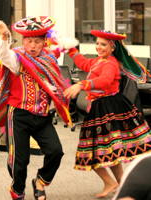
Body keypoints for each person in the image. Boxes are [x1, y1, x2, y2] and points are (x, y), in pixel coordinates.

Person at [0, 16, 72, 200]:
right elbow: (3, 55)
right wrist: (3, 37)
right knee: (20, 160)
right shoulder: (17, 58)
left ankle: (40, 181)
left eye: (37, 42)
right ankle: (18, 191)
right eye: (29, 41)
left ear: (44, 42)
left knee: (56, 152)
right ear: (23, 41)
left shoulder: (49, 59)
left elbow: (55, 80)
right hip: (18, 114)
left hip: (42, 116)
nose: (32, 46)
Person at [63, 30, 151, 198]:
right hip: (100, 108)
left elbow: (105, 80)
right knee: (110, 152)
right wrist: (71, 50)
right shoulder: (98, 60)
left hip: (109, 108)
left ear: (112, 48)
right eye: (97, 43)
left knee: (93, 152)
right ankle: (120, 184)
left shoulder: (111, 63)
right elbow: (84, 64)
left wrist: (82, 84)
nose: (99, 47)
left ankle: (111, 183)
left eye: (103, 44)